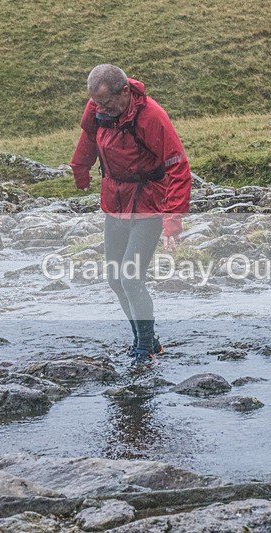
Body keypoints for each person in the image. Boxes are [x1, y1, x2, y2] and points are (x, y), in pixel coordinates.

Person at [71, 64, 191, 366]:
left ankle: (144, 347)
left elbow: (178, 166)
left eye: (106, 104)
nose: (100, 109)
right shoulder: (98, 107)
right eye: (96, 104)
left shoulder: (152, 117)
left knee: (131, 278)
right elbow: (88, 136)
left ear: (124, 92)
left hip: (148, 203)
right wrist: (80, 169)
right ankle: (149, 340)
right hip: (114, 201)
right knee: (114, 278)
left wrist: (172, 219)